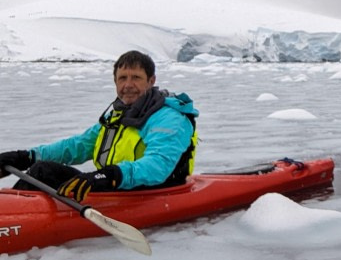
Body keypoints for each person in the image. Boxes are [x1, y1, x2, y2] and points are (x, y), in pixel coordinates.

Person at [0, 50, 198, 201]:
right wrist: (27, 156)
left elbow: (158, 166)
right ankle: (13, 211)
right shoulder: (117, 115)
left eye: (136, 78)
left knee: (44, 172)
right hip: (114, 185)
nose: (128, 85)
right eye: (122, 78)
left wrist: (109, 175)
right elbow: (78, 146)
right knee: (42, 169)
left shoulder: (169, 118)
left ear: (151, 80)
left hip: (151, 193)